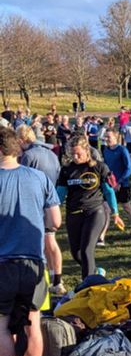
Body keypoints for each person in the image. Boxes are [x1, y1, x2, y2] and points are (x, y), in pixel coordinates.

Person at [0, 127, 61, 356]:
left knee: (2, 327)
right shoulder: (39, 178)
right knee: (32, 324)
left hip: (3, 263)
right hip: (34, 263)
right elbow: (55, 221)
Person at [56, 135, 120, 279]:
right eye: (72, 154)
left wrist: (115, 212)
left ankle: (87, 286)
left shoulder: (99, 167)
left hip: (94, 211)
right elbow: (60, 193)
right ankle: (96, 272)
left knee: (86, 250)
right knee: (76, 253)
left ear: (87, 151)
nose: (76, 156)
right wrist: (52, 209)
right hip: (73, 213)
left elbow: (109, 191)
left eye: (79, 153)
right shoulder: (66, 170)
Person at [17, 124, 67, 294]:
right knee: (51, 241)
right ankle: (57, 279)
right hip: (51, 201)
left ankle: (43, 281)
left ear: (21, 140)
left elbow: (24, 179)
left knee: (40, 245)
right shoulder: (51, 153)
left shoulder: (28, 156)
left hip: (35, 204)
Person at [101, 127, 131, 241]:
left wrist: (118, 182)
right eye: (106, 136)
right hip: (109, 185)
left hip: (122, 185)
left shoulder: (122, 150)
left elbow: (129, 169)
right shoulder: (105, 150)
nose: (106, 139)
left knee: (127, 207)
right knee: (106, 209)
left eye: (108, 137)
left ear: (115, 138)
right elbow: (105, 167)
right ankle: (101, 236)